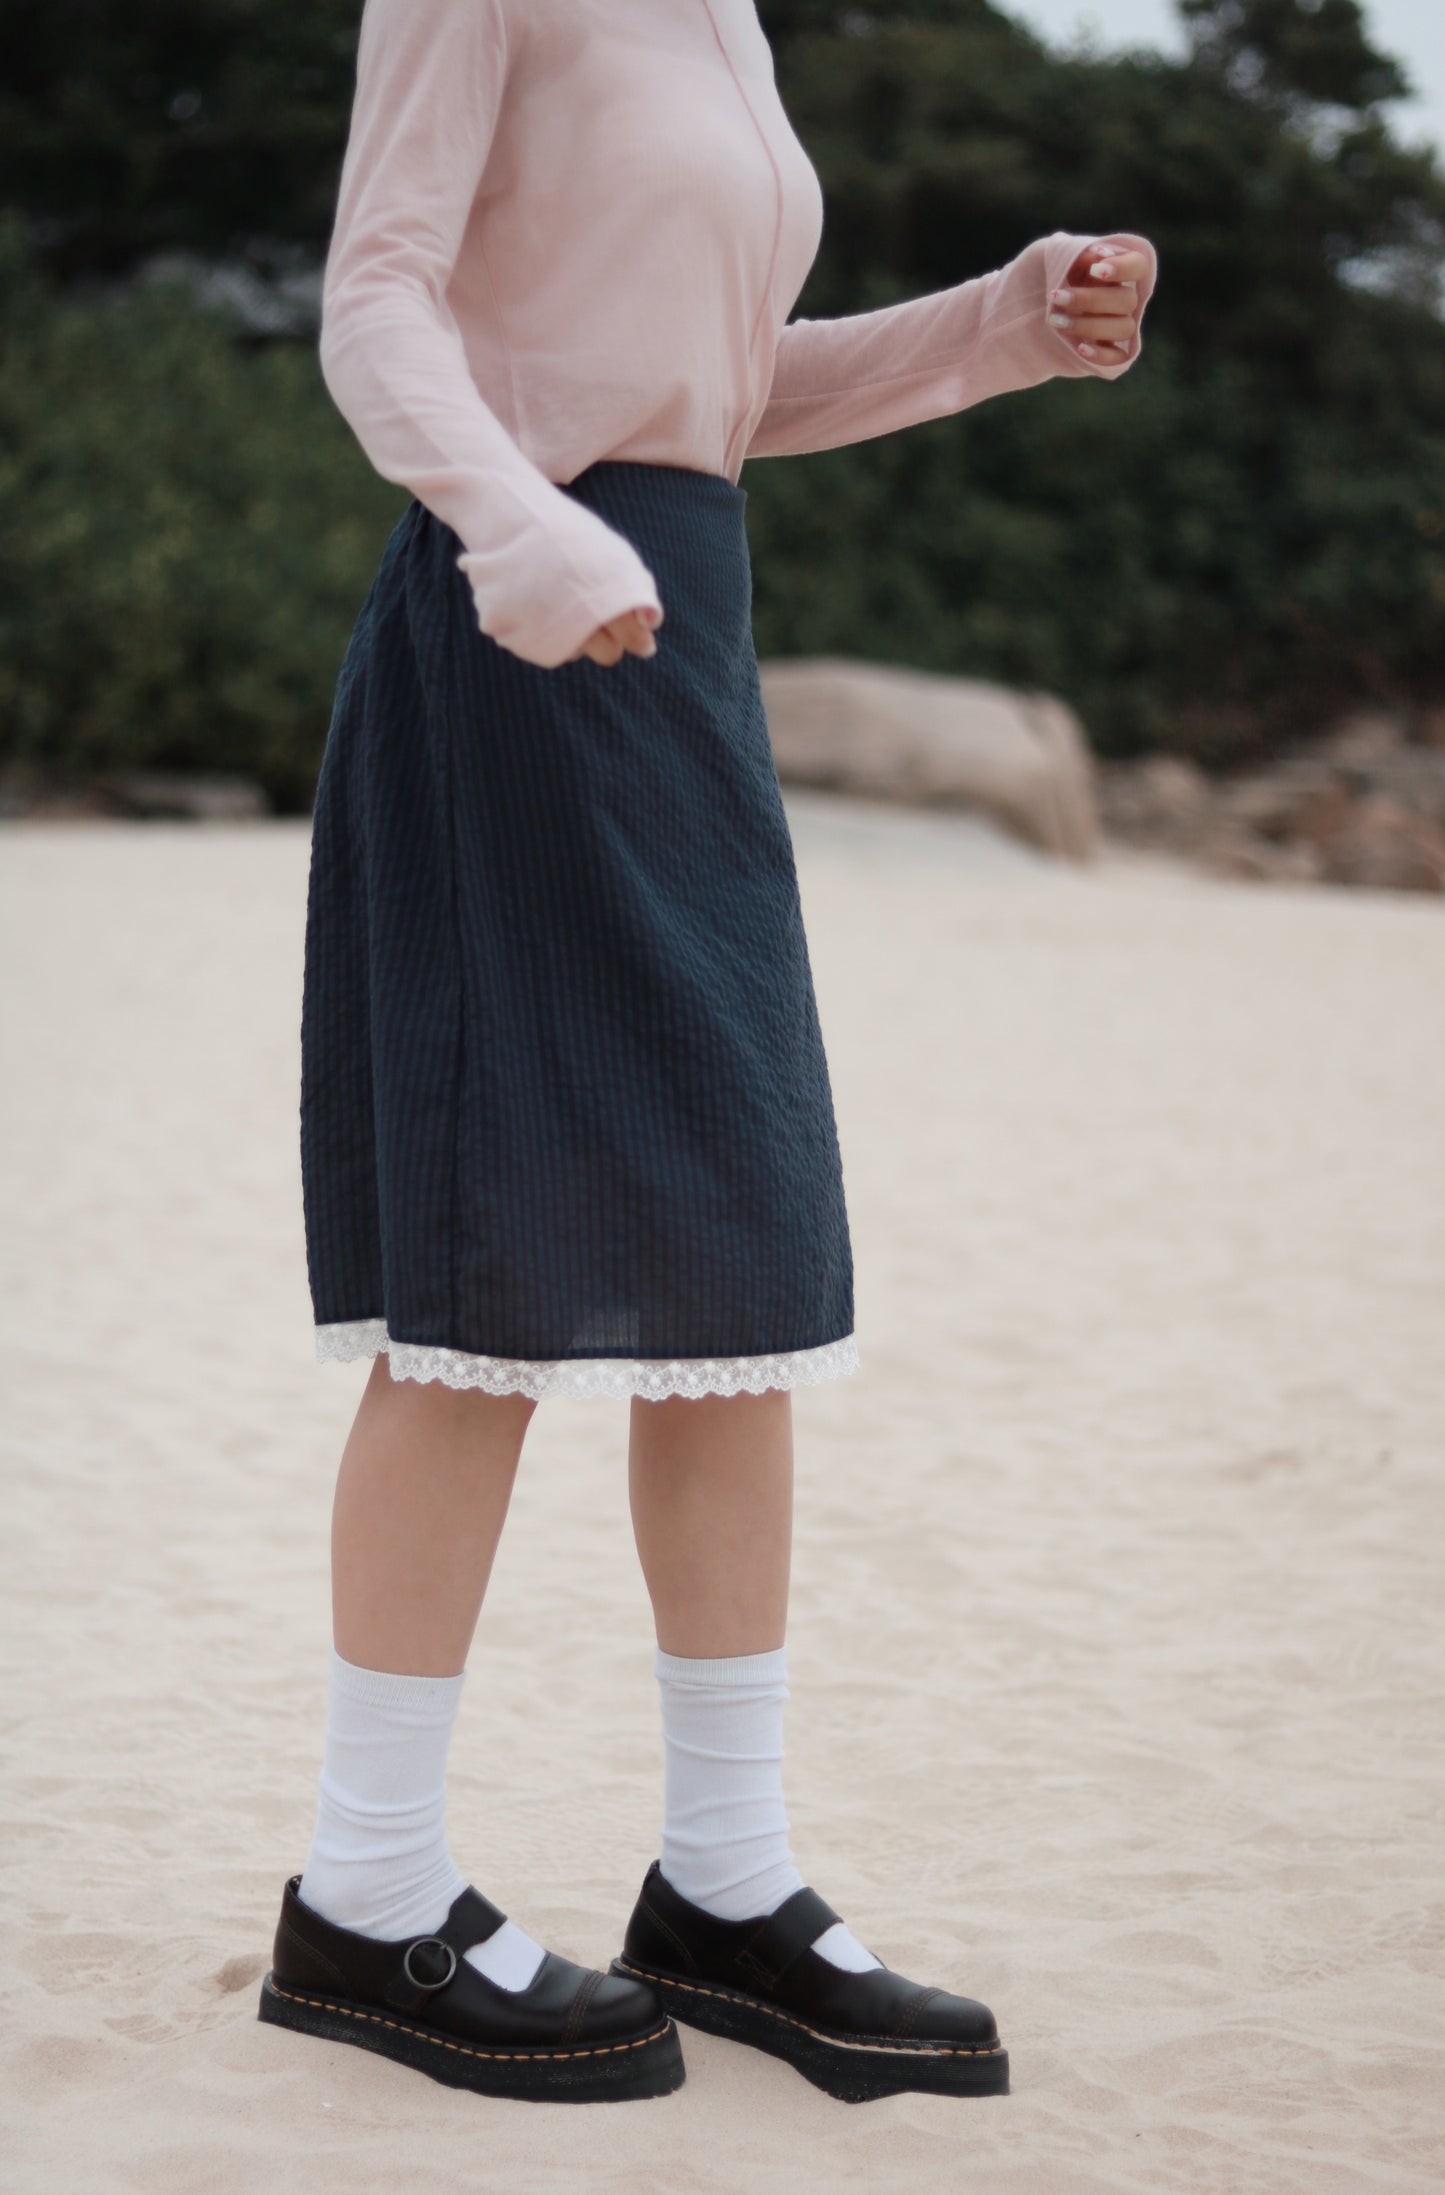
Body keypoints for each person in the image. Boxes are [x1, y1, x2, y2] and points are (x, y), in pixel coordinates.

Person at [256, 0, 1157, 2107]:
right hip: (521, 639)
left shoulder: (723, 16)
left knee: (740, 1273)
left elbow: (724, 387)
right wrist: (520, 526)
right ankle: (367, 1894)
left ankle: (725, 1887)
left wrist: (998, 327)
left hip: (684, 641)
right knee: (484, 1287)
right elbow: (376, 307)